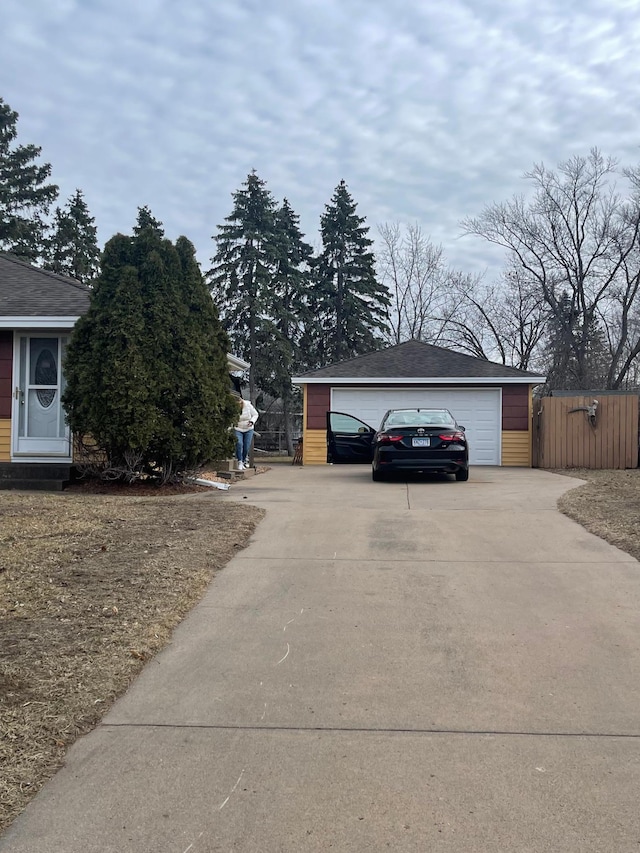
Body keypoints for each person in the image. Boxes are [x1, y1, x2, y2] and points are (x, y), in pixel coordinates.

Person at [234, 397, 259, 470]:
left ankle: (244, 460)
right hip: (238, 428)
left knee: (246, 446)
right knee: (239, 443)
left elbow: (255, 414)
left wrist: (252, 421)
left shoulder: (248, 405)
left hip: (248, 429)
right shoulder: (233, 408)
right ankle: (240, 461)